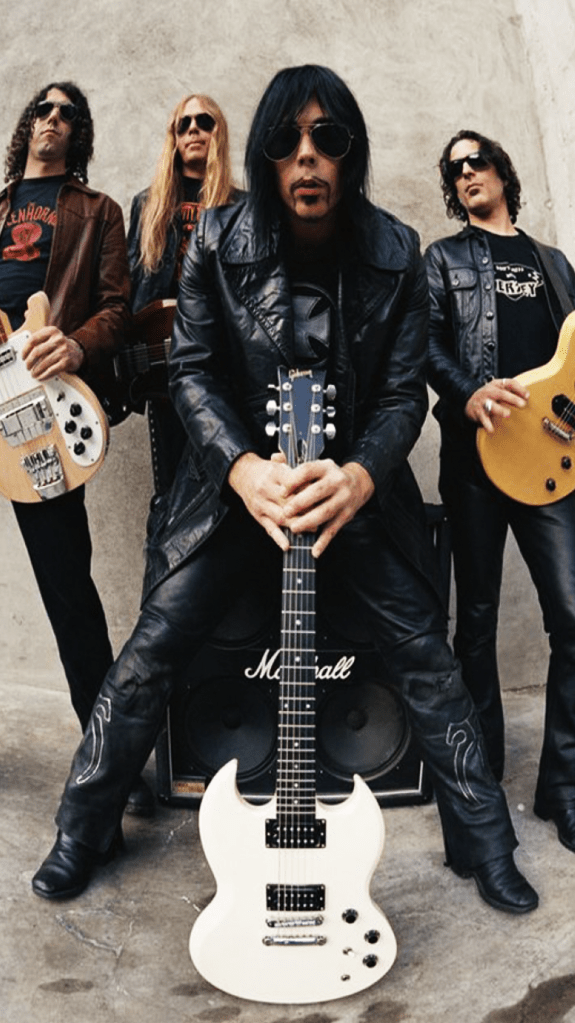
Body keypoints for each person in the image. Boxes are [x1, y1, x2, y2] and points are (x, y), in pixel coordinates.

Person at [33, 67, 537, 916]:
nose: (307, 157)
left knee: (426, 656)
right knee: (152, 649)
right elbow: (191, 371)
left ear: (351, 153)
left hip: (351, 492)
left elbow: (401, 393)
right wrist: (242, 469)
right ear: (264, 154)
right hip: (236, 492)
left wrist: (360, 475)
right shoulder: (216, 238)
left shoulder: (395, 250)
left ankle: (486, 843)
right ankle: (82, 829)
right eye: (286, 140)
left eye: (326, 139)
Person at [0, 81, 152, 815]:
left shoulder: (98, 211)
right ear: (26, 124)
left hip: (39, 409)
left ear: (79, 133)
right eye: (44, 109)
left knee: (69, 592)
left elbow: (120, 310)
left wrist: (75, 344)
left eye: (68, 113)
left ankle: (109, 765)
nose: (53, 119)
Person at [425, 129, 575, 852]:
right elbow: (424, 342)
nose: (466, 174)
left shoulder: (553, 263)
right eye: (454, 169)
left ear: (502, 173)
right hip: (476, 462)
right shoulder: (443, 259)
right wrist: (468, 393)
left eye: (475, 160)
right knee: (476, 621)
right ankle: (481, 780)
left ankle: (562, 786)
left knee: (571, 615)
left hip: (551, 464)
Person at [127, 93, 240, 494]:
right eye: (184, 124)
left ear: (218, 134)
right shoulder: (147, 204)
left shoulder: (241, 207)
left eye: (204, 122)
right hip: (164, 364)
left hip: (223, 363)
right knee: (171, 482)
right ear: (174, 138)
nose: (194, 129)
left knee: (222, 479)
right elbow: (133, 285)